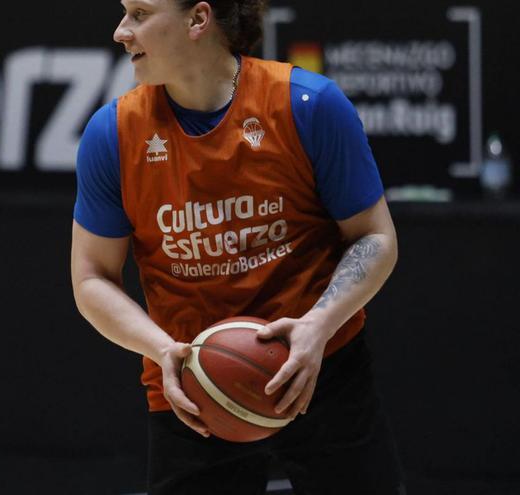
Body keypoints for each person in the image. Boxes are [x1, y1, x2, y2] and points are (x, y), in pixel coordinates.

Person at [71, 0, 405, 493]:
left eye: (140, 14)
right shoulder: (112, 134)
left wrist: (317, 327)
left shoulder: (307, 104)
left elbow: (375, 237)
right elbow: (91, 278)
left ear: (197, 20)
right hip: (191, 386)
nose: (122, 31)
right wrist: (162, 349)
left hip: (320, 367)